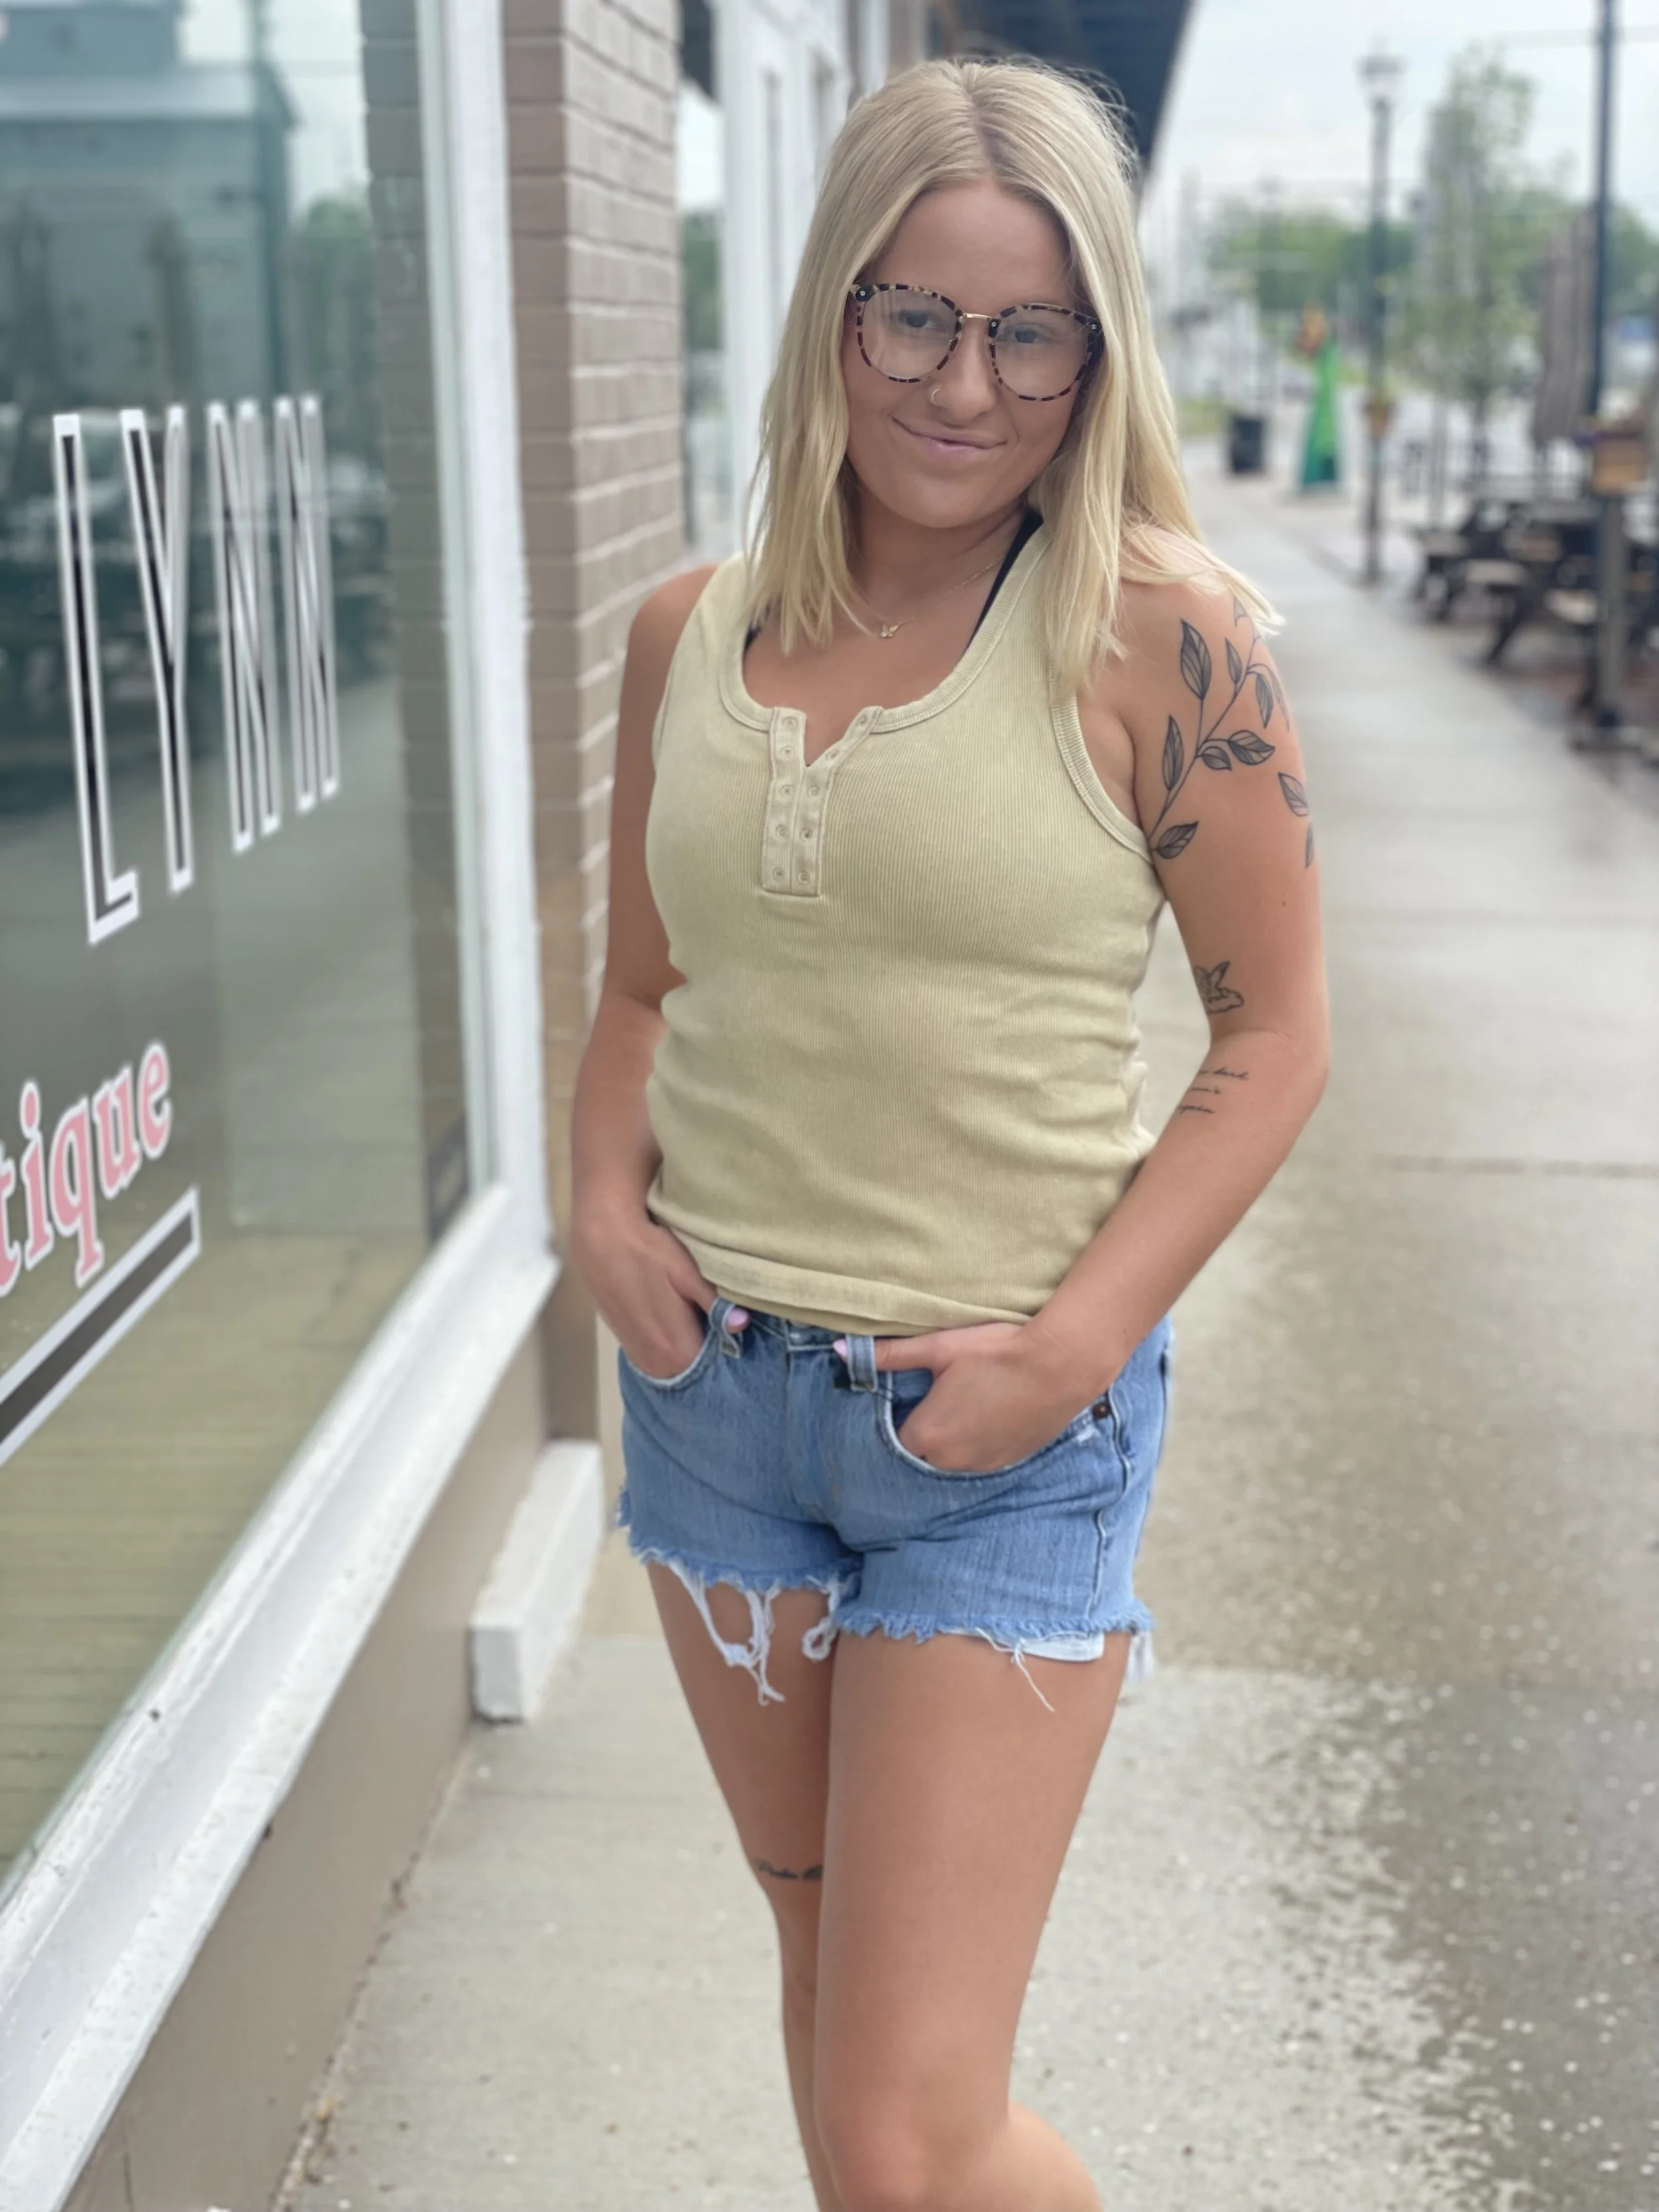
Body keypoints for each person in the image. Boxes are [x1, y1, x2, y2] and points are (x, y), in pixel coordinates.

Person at [570, 54, 1329, 2212]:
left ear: (1096, 353)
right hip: (719, 1416)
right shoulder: (684, 635)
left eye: (1028, 333)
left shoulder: (1162, 640)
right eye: (913, 314)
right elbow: (641, 988)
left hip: (993, 1431)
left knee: (910, 2133)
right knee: (840, 2032)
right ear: (834, 309)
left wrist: (1067, 1351)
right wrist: (597, 1205)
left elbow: (1273, 1035)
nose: (964, 384)